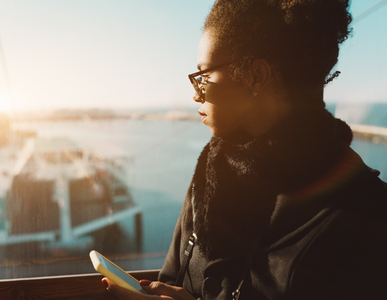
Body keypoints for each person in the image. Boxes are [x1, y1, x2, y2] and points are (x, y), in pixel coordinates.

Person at [102, 0, 387, 299]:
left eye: (205, 75)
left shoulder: (369, 216)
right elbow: (173, 281)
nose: (196, 93)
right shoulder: (212, 174)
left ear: (256, 76)